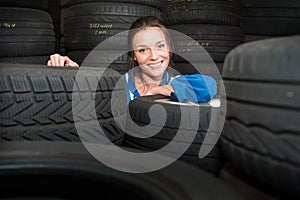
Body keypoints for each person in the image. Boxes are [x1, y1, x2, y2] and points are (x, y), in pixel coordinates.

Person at [47, 16, 217, 104]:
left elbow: (210, 85)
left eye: (160, 46)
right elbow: (95, 90)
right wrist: (72, 72)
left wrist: (162, 90)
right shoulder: (119, 84)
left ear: (169, 48)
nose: (154, 56)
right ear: (134, 55)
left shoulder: (176, 81)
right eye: (143, 50)